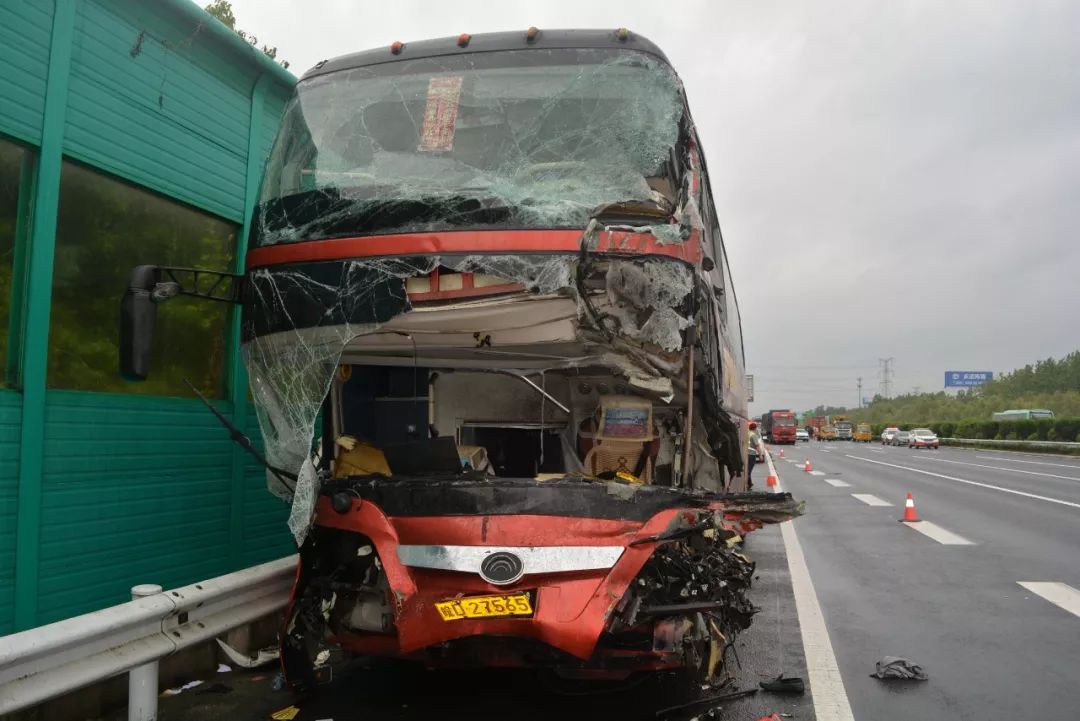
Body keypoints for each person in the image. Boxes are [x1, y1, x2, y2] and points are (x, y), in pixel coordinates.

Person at [746, 421, 763, 489]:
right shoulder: (753, 435)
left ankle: (750, 483)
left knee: (747, 469)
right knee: (749, 470)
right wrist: (760, 455)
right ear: (755, 428)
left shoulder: (747, 433)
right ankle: (748, 484)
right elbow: (757, 446)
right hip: (751, 454)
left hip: (746, 453)